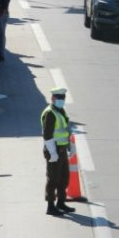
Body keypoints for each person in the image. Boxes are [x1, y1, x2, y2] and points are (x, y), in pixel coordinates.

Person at [41, 86, 74, 216]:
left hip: (62, 149)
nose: (62, 100)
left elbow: (65, 130)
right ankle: (50, 206)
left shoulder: (61, 111)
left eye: (63, 98)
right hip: (53, 150)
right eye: (59, 98)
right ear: (53, 98)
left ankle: (61, 202)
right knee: (53, 178)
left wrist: (69, 145)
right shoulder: (50, 113)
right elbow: (47, 135)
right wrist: (53, 152)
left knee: (63, 178)